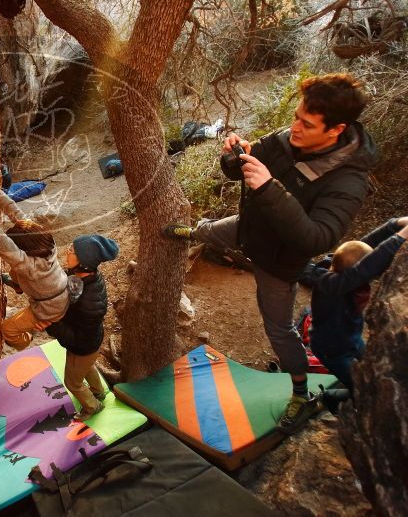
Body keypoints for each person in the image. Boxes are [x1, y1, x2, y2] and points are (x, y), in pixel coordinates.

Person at [162, 73, 377, 433]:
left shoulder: (348, 181)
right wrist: (234, 156)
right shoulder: (288, 137)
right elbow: (243, 168)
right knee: (213, 231)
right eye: (296, 116)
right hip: (248, 229)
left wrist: (269, 188)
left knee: (279, 331)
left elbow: (317, 239)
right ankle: (192, 231)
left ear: (336, 129)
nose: (295, 127)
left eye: (306, 124)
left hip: (278, 264)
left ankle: (299, 392)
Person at [299, 217, 408, 398]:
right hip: (332, 350)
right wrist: (401, 237)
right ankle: (329, 399)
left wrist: (395, 224)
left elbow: (365, 246)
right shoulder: (330, 285)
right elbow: (366, 268)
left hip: (352, 338)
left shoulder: (339, 264)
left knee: (369, 370)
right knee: (361, 387)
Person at [0, 182, 69, 351]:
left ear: (26, 250)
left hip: (49, 308)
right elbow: (20, 218)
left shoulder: (30, 266)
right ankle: (18, 284)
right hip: (58, 290)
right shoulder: (46, 242)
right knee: (15, 270)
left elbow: (8, 248)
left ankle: (27, 337)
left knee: (8, 330)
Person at [45, 235, 119, 421]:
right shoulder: (85, 277)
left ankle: (92, 406)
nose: (67, 252)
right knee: (88, 368)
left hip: (83, 347)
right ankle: (98, 391)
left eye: (72, 251)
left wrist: (52, 325)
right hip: (91, 343)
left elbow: (77, 338)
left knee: (73, 382)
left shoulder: (89, 303)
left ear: (83, 263)